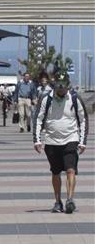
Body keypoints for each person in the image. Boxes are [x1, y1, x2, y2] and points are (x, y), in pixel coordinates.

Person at [33, 74, 88, 214]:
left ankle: (70, 199)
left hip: (71, 138)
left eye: (64, 87)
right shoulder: (46, 98)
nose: (62, 90)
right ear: (55, 85)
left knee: (71, 169)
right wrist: (37, 140)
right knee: (55, 172)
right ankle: (58, 202)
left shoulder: (74, 98)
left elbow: (83, 120)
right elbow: (38, 118)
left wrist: (82, 142)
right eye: (60, 87)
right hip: (51, 140)